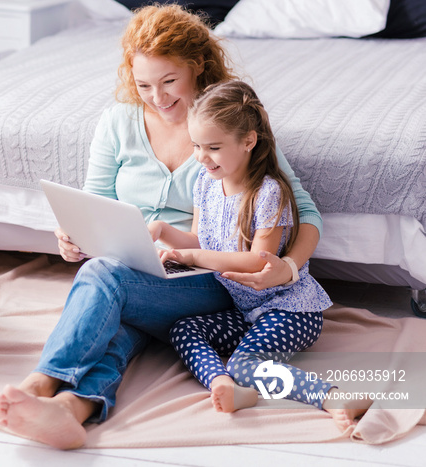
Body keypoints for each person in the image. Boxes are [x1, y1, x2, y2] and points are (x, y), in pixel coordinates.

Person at [0, 5, 323, 449]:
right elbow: (94, 202)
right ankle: (73, 409)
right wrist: (73, 237)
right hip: (137, 266)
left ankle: (42, 382)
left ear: (197, 66)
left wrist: (289, 269)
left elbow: (307, 214)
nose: (157, 97)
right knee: (121, 313)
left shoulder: (223, 122)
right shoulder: (118, 121)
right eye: (144, 85)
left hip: (204, 274)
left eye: (169, 82)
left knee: (105, 279)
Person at [150, 80, 371, 431]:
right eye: (195, 145)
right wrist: (162, 231)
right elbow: (200, 238)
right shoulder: (205, 183)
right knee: (184, 329)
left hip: (288, 308)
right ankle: (225, 385)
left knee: (245, 364)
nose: (201, 157)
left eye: (213, 147)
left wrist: (191, 257)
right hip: (244, 310)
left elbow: (259, 261)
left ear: (248, 141)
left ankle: (331, 397)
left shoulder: (269, 193)